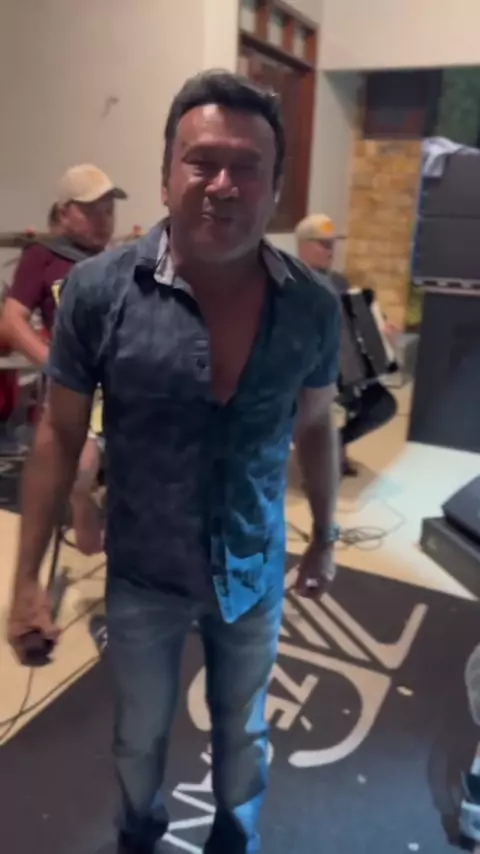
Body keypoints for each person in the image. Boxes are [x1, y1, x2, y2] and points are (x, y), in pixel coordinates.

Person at [8, 71, 341, 854]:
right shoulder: (97, 292)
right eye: (202, 162)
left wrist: (325, 537)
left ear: (276, 188)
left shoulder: (312, 304)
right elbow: (58, 435)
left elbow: (318, 425)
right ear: (166, 176)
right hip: (142, 573)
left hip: (251, 568)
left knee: (243, 733)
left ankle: (235, 836)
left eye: (246, 166)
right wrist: (25, 581)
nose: (223, 184)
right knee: (138, 736)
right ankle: (140, 833)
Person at [2, 164, 126, 552]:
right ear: (64, 212)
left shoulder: (117, 259)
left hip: (123, 381)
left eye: (108, 210)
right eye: (91, 210)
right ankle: (81, 500)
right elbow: (12, 319)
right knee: (78, 471)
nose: (103, 220)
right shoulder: (42, 256)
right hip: (79, 387)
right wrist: (55, 364)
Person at [296, 213, 397, 477]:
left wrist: (381, 332)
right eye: (323, 244)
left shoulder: (339, 282)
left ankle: (334, 444)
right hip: (306, 378)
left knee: (384, 406)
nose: (331, 250)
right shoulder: (289, 284)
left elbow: (357, 321)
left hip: (346, 377)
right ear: (304, 245)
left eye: (333, 244)